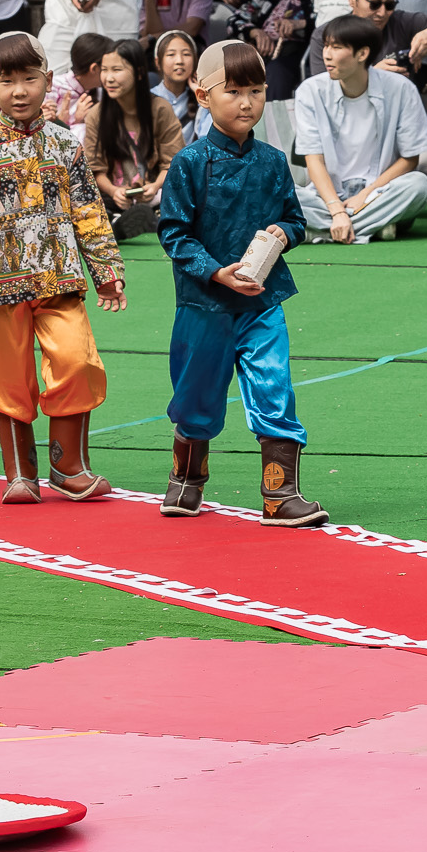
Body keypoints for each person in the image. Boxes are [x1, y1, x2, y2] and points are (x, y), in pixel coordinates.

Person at [0, 31, 128, 504]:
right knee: (6, 377)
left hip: (60, 279)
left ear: (48, 80)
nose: (20, 91)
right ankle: (19, 474)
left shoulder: (66, 144)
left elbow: (89, 210)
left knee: (76, 362)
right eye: (7, 81)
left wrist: (106, 270)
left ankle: (69, 467)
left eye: (29, 78)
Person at [156, 40, 322, 526]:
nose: (246, 102)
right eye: (233, 91)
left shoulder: (272, 160)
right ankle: (186, 481)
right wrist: (214, 271)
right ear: (203, 95)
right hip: (204, 304)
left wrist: (284, 233)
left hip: (262, 301)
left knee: (275, 389)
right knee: (196, 397)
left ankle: (280, 495)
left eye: (256, 90)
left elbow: (296, 219)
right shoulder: (189, 162)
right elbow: (173, 232)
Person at [288, 13, 427, 244]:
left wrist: (366, 195)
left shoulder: (401, 88)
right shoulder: (310, 91)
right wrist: (336, 209)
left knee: (420, 185)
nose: (326, 54)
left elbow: (410, 160)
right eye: (326, 46)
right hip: (327, 197)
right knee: (274, 191)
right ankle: (373, 226)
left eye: (336, 47)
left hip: (379, 193)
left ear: (362, 54)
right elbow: (313, 160)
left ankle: (321, 231)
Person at [85, 37, 185, 238]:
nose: (109, 78)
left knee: (173, 202)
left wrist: (154, 186)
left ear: (139, 72)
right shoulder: (96, 114)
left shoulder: (160, 109)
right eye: (105, 70)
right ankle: (117, 223)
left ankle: (126, 223)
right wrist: (113, 191)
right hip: (113, 199)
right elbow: (95, 169)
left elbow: (173, 163)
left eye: (117, 70)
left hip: (155, 197)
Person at [49, 33, 111, 132]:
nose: (111, 75)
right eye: (107, 68)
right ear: (94, 68)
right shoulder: (52, 88)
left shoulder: (102, 92)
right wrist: (68, 121)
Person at [151, 29, 200, 126]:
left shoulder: (202, 101)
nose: (179, 61)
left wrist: (202, 95)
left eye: (186, 54)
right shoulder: (147, 99)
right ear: (158, 62)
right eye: (171, 54)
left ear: (195, 61)